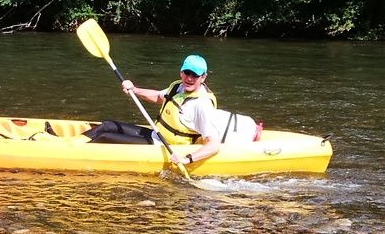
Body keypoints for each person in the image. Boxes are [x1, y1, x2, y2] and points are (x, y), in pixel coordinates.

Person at [87, 54, 260, 167]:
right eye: (187, 73)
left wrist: (187, 159)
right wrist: (135, 90)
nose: (190, 78)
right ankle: (68, 142)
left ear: (203, 77)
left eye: (195, 75)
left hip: (168, 146)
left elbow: (214, 144)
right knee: (107, 125)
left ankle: (75, 153)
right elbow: (159, 97)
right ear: (181, 72)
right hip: (157, 135)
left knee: (105, 137)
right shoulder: (177, 87)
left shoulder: (202, 104)